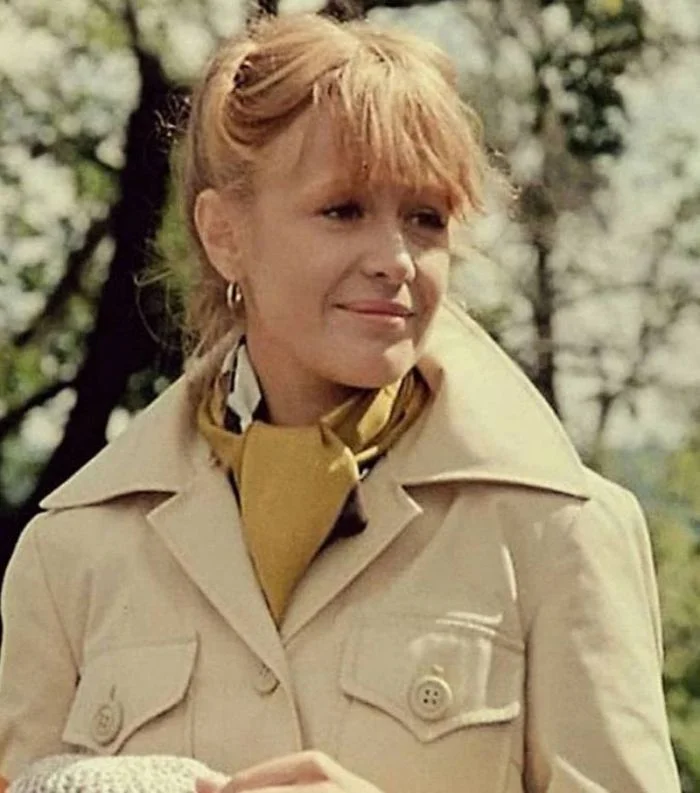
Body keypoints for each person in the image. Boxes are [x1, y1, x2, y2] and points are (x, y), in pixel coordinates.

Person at [0, 11, 682, 793]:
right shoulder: (70, 552)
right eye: (343, 209)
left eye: (425, 219)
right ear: (224, 234)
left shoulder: (562, 530)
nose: (396, 260)